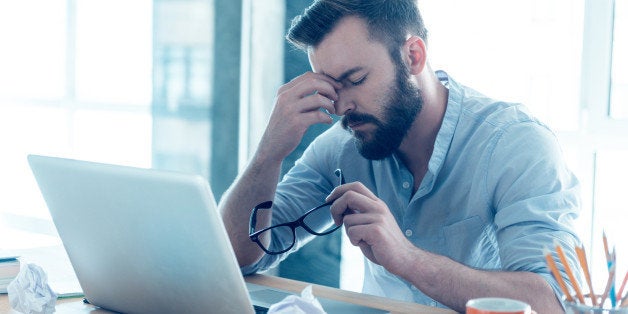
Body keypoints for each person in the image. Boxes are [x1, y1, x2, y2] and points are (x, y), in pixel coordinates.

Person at [219, 0, 582, 312]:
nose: (341, 106)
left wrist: (408, 259)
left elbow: (553, 303)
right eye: (330, 86)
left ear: (413, 56)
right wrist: (269, 152)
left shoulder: (516, 145)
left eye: (356, 79)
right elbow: (237, 256)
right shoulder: (343, 145)